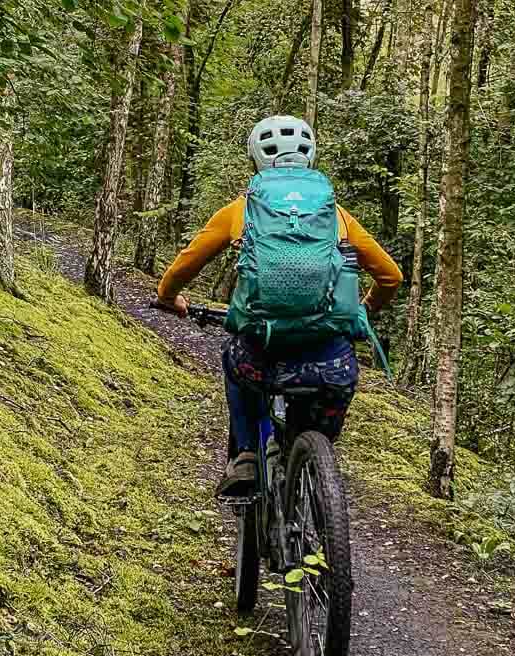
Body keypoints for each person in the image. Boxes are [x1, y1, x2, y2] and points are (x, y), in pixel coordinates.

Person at [155, 115, 402, 495]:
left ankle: (247, 456)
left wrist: (168, 298)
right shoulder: (335, 215)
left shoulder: (239, 211)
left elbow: (184, 265)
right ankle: (315, 474)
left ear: (255, 159)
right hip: (331, 362)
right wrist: (363, 309)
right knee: (321, 416)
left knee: (234, 358)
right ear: (310, 156)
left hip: (259, 354)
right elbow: (391, 277)